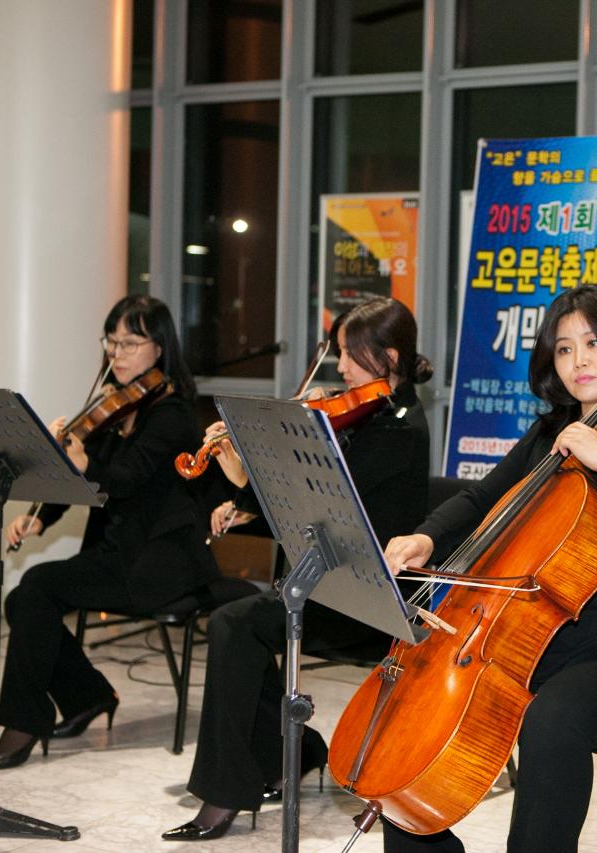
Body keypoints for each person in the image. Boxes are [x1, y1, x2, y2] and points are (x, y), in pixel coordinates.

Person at [380, 285, 597, 852]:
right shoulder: (550, 434)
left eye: (593, 343)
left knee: (551, 718)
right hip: (548, 631)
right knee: (423, 697)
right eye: (564, 349)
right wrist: (426, 536)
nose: (579, 361)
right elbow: (484, 497)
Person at [162, 297, 433, 841]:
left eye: (352, 357)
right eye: (339, 355)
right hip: (328, 583)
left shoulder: (398, 429)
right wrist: (246, 504)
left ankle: (227, 794)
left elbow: (324, 506)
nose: (342, 370)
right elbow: (311, 517)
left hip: (369, 601)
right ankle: (295, 750)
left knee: (237, 624)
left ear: (390, 356)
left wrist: (247, 472)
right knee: (241, 623)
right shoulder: (365, 413)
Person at [0, 295, 218, 769]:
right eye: (111, 342)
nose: (117, 353)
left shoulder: (173, 415)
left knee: (34, 589)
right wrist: (40, 517)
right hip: (115, 552)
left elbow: (128, 479)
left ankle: (27, 722)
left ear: (159, 348)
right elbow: (77, 480)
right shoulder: (113, 408)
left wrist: (84, 460)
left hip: (159, 561)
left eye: (130, 343)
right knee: (24, 599)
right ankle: (89, 696)